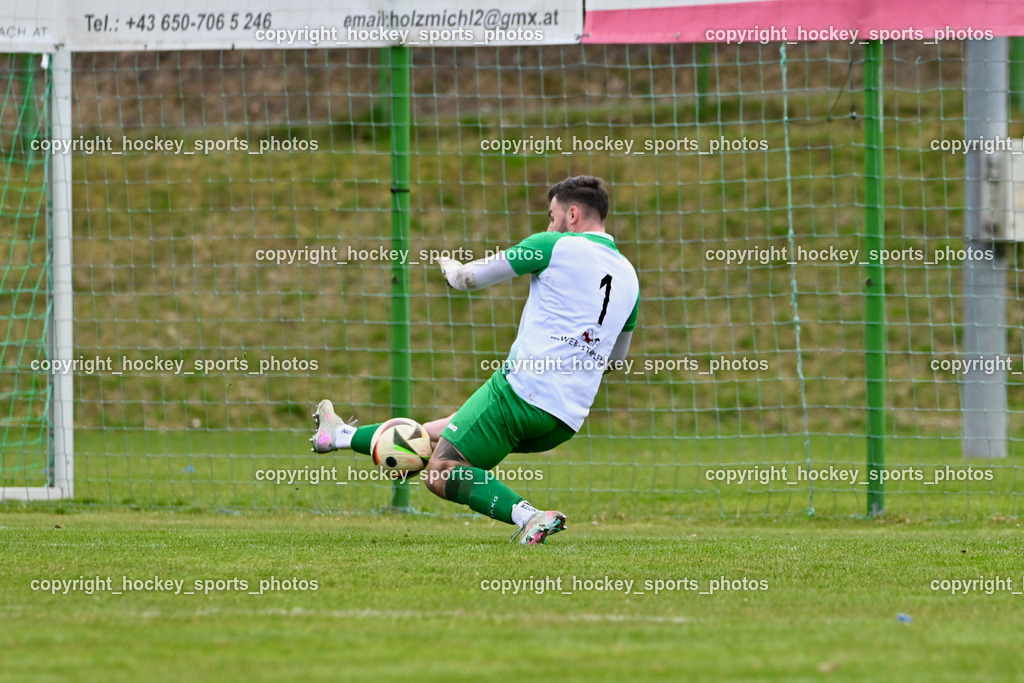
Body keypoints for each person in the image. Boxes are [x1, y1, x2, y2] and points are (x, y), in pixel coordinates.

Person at [310, 175, 639, 544]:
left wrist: (450, 268)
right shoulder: (629, 277)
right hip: (564, 420)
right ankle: (336, 435)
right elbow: (617, 357)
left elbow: (468, 279)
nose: (549, 224)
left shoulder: (554, 246)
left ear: (573, 214)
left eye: (552, 215)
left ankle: (529, 516)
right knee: (432, 435)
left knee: (441, 471)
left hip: (520, 393)